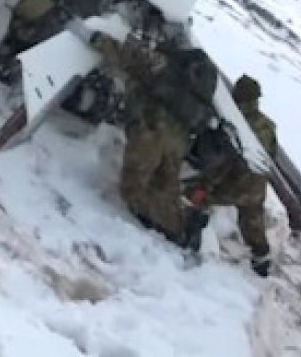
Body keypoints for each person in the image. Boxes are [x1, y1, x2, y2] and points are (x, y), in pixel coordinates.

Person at [87, 25, 217, 251]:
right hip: (179, 142)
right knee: (164, 190)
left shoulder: (162, 65)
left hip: (152, 130)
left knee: (132, 189)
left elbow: (126, 56)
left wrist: (99, 40)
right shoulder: (198, 85)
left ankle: (150, 220)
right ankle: (181, 229)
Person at [186, 75, 277, 276]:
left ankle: (191, 238)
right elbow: (272, 156)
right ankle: (261, 260)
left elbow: (224, 164)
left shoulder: (237, 126)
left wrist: (204, 188)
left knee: (195, 197)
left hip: (235, 186)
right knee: (252, 221)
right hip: (257, 187)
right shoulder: (268, 125)